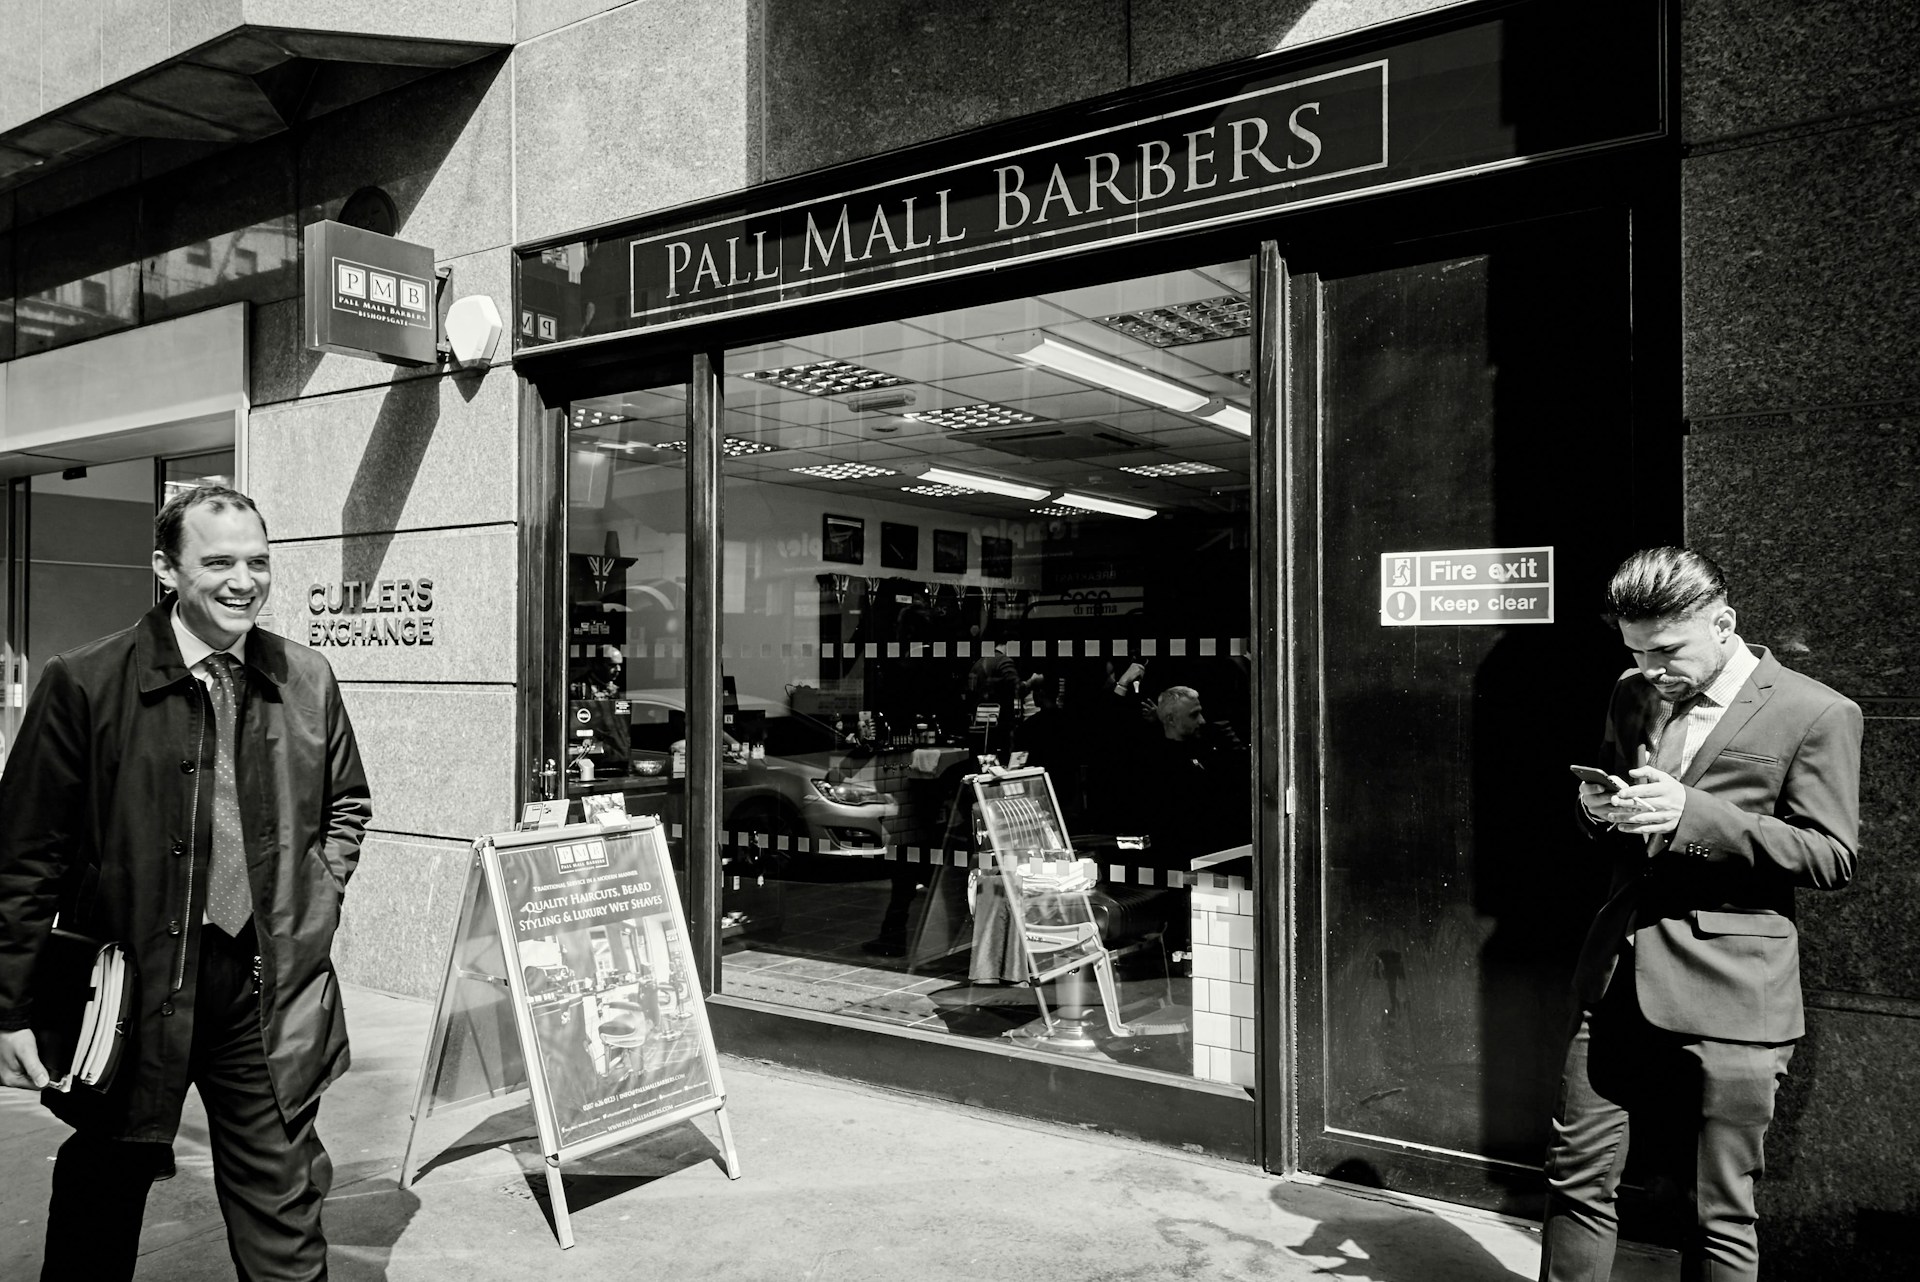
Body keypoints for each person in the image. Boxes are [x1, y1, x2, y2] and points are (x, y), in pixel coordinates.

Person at [0, 485, 372, 1281]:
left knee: (285, 1195)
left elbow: (347, 803)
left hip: (261, 986)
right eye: (220, 562)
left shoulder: (306, 677)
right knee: (106, 1183)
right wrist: (10, 1008)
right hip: (128, 988)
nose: (244, 581)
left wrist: (316, 899)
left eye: (258, 562)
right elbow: (25, 859)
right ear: (167, 567)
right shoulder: (85, 684)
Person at [1539, 547, 1861, 1282]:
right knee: (1575, 1185)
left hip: (1734, 995)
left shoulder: (1816, 712)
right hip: (1615, 978)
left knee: (1718, 1211)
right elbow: (1622, 800)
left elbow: (1833, 857)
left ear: (1725, 623)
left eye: (1668, 650)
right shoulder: (1630, 691)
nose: (1651, 668)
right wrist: (1597, 810)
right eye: (1636, 650)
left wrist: (1696, 814)